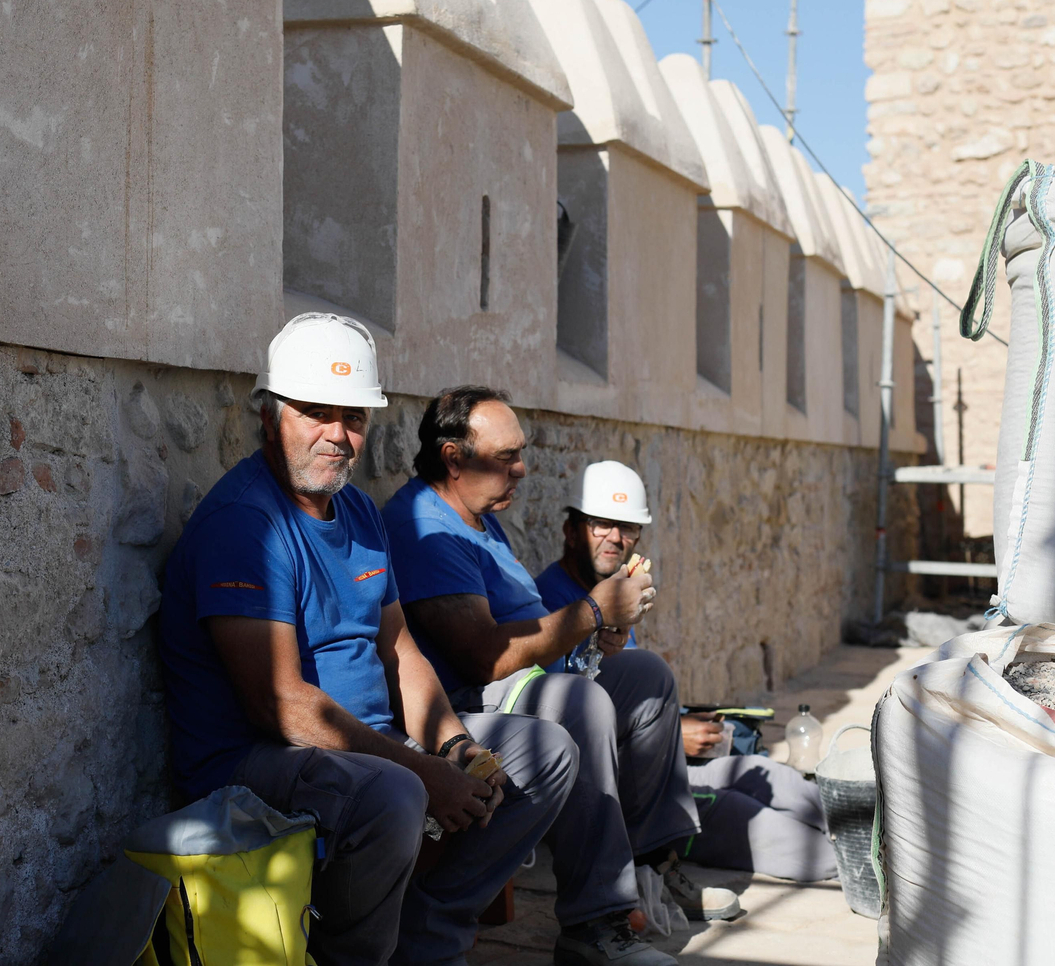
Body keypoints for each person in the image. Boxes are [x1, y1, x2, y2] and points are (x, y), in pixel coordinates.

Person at [159, 316, 578, 966]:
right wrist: (420, 770)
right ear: (270, 415)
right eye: (314, 413)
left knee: (542, 752)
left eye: (353, 417)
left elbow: (400, 651)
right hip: (255, 761)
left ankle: (426, 938)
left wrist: (456, 745)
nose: (337, 435)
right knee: (396, 794)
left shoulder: (353, 508)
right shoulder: (246, 524)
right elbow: (279, 707)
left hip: (372, 747)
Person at [382, 388, 738, 966]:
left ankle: (653, 867)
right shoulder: (425, 526)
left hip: (521, 683)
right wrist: (593, 611)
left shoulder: (481, 518)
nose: (522, 469)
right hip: (467, 704)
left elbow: (532, 629)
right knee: (581, 703)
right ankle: (595, 923)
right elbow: (481, 656)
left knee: (645, 675)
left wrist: (598, 634)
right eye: (507, 457)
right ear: (452, 458)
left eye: (521, 453)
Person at [538, 461, 837, 884]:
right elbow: (567, 720)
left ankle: (890, 835)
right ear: (572, 530)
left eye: (627, 528)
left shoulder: (619, 593)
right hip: (623, 790)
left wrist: (675, 728)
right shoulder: (549, 605)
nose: (615, 539)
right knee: (813, 853)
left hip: (662, 766)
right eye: (601, 524)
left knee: (776, 778)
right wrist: (675, 734)